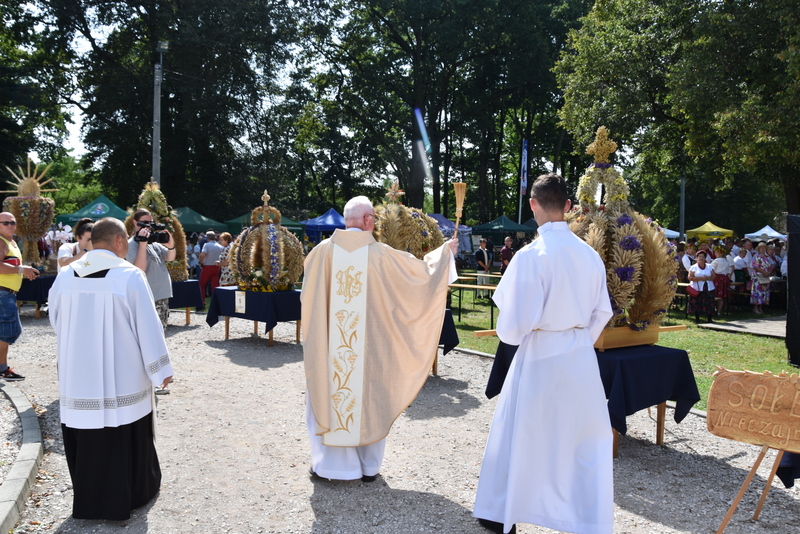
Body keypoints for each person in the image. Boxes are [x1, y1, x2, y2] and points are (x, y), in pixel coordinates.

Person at [473, 173, 613, 534]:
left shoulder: (530, 256)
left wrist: (538, 333)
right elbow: (602, 312)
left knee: (523, 435)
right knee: (580, 439)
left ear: (532, 204)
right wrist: (576, 337)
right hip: (579, 357)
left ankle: (504, 511)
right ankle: (585, 519)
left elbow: (511, 328)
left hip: (538, 356)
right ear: (568, 206)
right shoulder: (590, 255)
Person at [301, 196, 457, 482]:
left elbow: (308, 302)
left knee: (331, 390)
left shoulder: (319, 253)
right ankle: (368, 468)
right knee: (370, 397)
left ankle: (332, 466)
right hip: (369, 349)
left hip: (329, 348)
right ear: (368, 219)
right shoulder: (383, 255)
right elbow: (420, 277)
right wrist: (444, 254)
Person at [48, 217, 173, 520]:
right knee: (124, 429)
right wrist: (161, 369)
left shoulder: (65, 275)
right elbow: (148, 326)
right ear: (119, 241)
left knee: (87, 433)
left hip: (78, 376)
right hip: (123, 377)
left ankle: (90, 501)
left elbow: (56, 321)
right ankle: (132, 495)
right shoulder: (129, 275)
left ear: (93, 241)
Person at [0, 212, 39, 381]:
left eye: (13, 222)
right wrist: (22, 270)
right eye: (5, 223)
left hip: (7, 292)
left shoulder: (11, 242)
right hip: (2, 292)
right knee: (11, 331)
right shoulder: (1, 242)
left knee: (4, 333)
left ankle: (2, 369)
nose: (10, 225)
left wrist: (23, 271)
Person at [126, 209, 176, 332]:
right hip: (148, 297)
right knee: (149, 333)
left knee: (161, 332)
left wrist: (171, 246)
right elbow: (139, 269)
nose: (148, 225)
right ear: (135, 222)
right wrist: (142, 244)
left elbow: (170, 257)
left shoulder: (153, 242)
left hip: (161, 295)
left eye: (151, 222)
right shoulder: (131, 245)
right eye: (145, 222)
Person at [688, 250, 716, 323]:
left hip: (708, 287)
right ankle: (697, 319)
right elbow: (690, 277)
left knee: (709, 302)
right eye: (699, 256)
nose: (701, 258)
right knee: (697, 303)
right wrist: (700, 278)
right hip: (697, 288)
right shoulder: (693, 267)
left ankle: (709, 319)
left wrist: (708, 278)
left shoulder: (709, 266)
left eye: (703, 256)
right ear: (697, 258)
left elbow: (714, 276)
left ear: (705, 258)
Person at [750, 241, 776, 314]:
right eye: (761, 248)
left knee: (764, 292)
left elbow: (772, 265)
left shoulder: (768, 257)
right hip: (758, 277)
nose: (762, 249)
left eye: (764, 248)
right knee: (757, 292)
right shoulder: (756, 256)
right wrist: (763, 272)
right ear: (758, 249)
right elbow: (755, 266)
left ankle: (761, 308)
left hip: (766, 276)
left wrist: (769, 272)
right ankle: (755, 308)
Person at [199, 231, 223, 298]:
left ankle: (202, 301)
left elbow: (202, 254)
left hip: (207, 267)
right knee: (215, 285)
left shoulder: (206, 245)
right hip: (217, 267)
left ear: (207, 238)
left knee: (202, 285)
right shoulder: (219, 246)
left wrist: (200, 262)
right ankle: (216, 300)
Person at [710, 246, 732, 315]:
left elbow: (711, 269)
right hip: (724, 278)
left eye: (716, 252)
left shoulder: (716, 261)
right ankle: (719, 311)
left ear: (719, 253)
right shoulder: (726, 261)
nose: (715, 254)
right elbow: (729, 271)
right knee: (721, 296)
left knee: (714, 294)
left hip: (717, 278)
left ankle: (712, 310)